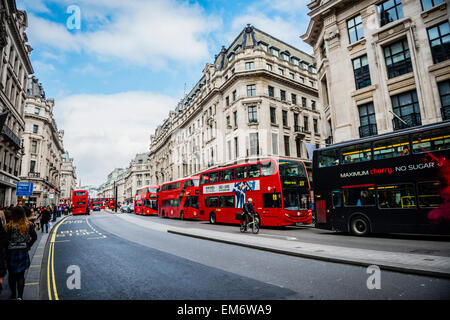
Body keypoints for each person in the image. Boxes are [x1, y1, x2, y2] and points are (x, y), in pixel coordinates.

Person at [4, 206, 37, 300]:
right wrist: (28, 246)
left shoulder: (9, 226)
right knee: (21, 275)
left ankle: (13, 294)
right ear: (23, 214)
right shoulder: (29, 225)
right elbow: (34, 237)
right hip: (23, 251)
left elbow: (5, 241)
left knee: (11, 275)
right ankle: (20, 296)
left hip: (11, 252)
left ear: (13, 214)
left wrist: (7, 250)